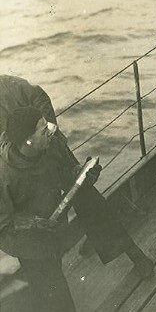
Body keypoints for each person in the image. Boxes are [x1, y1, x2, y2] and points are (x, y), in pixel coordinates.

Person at [0, 75, 153, 278]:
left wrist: (47, 137)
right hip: (15, 169)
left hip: (48, 153)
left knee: (88, 197)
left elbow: (40, 99)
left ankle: (134, 253)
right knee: (29, 229)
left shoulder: (11, 86)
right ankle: (47, 280)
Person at [0, 107, 102, 311]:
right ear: (27, 140)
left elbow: (64, 174)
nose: (51, 130)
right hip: (26, 242)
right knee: (57, 293)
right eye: (43, 129)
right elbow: (3, 224)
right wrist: (33, 222)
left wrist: (83, 175)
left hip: (53, 229)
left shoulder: (50, 146)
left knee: (50, 280)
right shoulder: (4, 175)